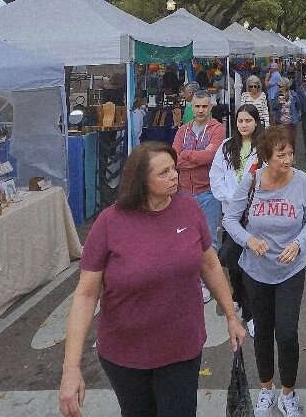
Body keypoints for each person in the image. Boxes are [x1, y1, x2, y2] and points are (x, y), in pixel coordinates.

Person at [58, 142, 246, 417]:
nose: (174, 176)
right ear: (141, 181)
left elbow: (210, 265)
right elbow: (86, 294)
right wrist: (71, 368)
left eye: (174, 169)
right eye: (164, 172)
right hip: (126, 355)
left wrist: (231, 316)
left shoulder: (189, 210)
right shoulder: (110, 223)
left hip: (181, 348)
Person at [222, 126, 306, 417]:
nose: (288, 159)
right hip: (255, 272)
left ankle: (288, 393)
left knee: (287, 334)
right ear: (266, 157)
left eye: (290, 153)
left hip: (291, 270)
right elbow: (230, 219)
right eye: (281, 155)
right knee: (262, 332)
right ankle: (267, 388)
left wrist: (300, 243)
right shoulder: (252, 182)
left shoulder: (302, 181)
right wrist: (249, 240)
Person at [210, 103, 265, 336]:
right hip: (232, 213)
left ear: (256, 122)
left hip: (255, 214)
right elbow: (216, 177)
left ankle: (251, 312)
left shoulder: (263, 147)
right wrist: (233, 200)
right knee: (233, 259)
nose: (244, 125)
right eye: (240, 121)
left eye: (248, 121)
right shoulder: (225, 147)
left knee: (250, 264)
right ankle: (237, 298)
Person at [173, 91, 226, 302]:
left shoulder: (217, 129)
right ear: (191, 107)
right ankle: (191, 278)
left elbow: (210, 157)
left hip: (209, 192)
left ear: (210, 107)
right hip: (186, 192)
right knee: (186, 237)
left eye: (204, 106)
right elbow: (173, 158)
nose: (201, 110)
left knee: (210, 238)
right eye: (197, 106)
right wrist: (195, 158)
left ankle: (208, 284)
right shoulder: (182, 131)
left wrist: (186, 156)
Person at [272, 78, 301, 142]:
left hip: (291, 123)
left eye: (280, 86)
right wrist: (277, 103)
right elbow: (273, 108)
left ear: (285, 86)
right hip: (280, 122)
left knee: (291, 141)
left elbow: (298, 106)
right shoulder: (277, 94)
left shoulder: (293, 94)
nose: (278, 87)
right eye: (278, 85)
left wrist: (297, 116)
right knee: (281, 141)